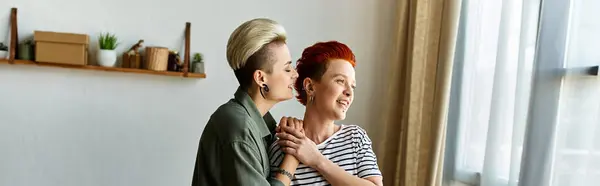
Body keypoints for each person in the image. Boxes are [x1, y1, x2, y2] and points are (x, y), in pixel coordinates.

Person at [191, 18, 303, 186]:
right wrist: (291, 160)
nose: (295, 74)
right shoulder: (238, 126)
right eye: (287, 69)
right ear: (261, 78)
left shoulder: (255, 122)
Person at [269, 41, 384, 185]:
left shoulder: (356, 138)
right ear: (310, 87)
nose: (349, 92)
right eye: (340, 81)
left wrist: (317, 160)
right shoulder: (285, 145)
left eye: (352, 86)